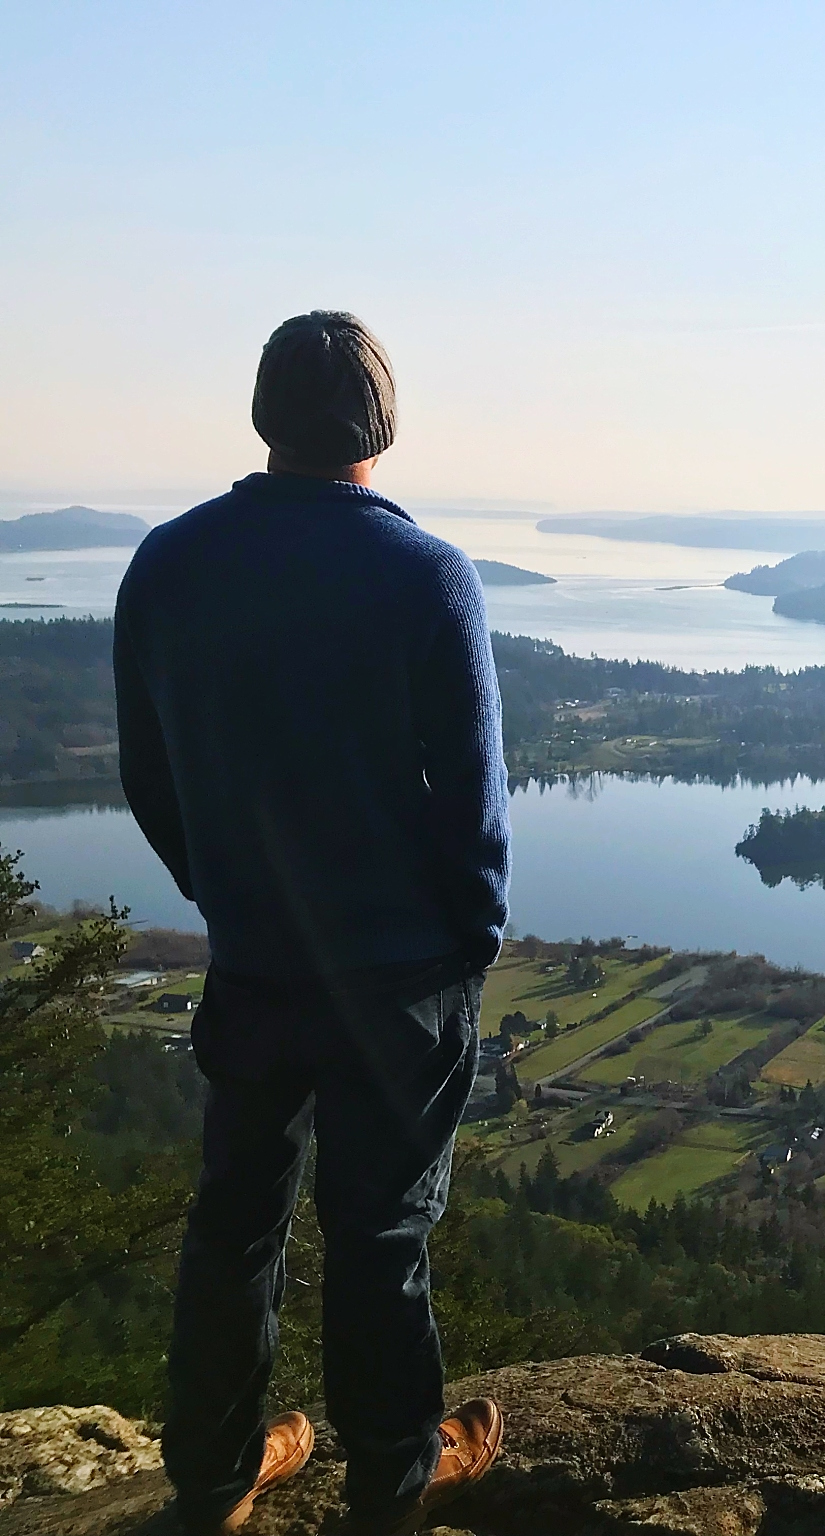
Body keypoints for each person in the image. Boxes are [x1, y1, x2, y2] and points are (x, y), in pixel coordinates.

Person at [114, 312, 512, 1535]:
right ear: (381, 427)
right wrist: (471, 938)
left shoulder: (168, 566)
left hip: (255, 964)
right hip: (398, 977)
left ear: (263, 418)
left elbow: (151, 777)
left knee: (234, 1221)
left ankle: (215, 1478)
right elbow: (475, 804)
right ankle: (393, 1482)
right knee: (380, 1230)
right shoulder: (423, 574)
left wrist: (225, 896)